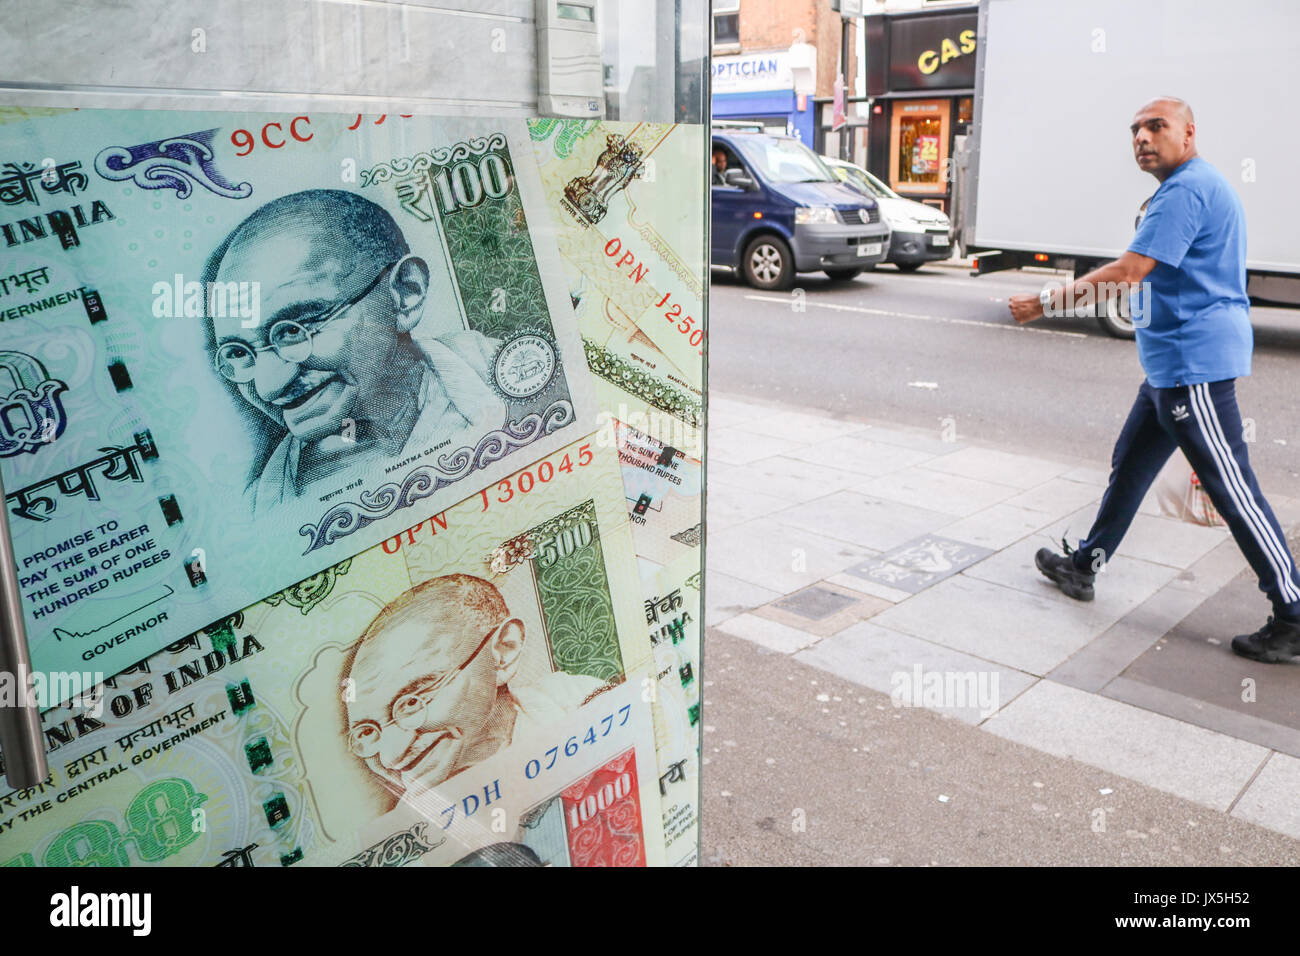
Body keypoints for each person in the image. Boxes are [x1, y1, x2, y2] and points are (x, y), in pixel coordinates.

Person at [1010, 97, 1300, 663]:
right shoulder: (1179, 188)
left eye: (1156, 126)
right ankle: (1084, 566)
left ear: (1188, 134)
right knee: (1131, 463)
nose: (1142, 137)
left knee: (1231, 487)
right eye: (1135, 130)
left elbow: (1128, 271)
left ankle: (1293, 613)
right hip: (1169, 368)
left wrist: (1044, 301)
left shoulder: (1188, 190)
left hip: (1194, 368)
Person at [203, 190, 506, 512]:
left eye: (296, 329)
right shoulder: (259, 513)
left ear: (406, 294)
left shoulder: (509, 376)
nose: (269, 386)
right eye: (239, 353)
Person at [343, 573, 609, 797]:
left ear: (503, 651)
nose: (392, 757)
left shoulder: (583, 706)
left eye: (413, 702)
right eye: (368, 733)